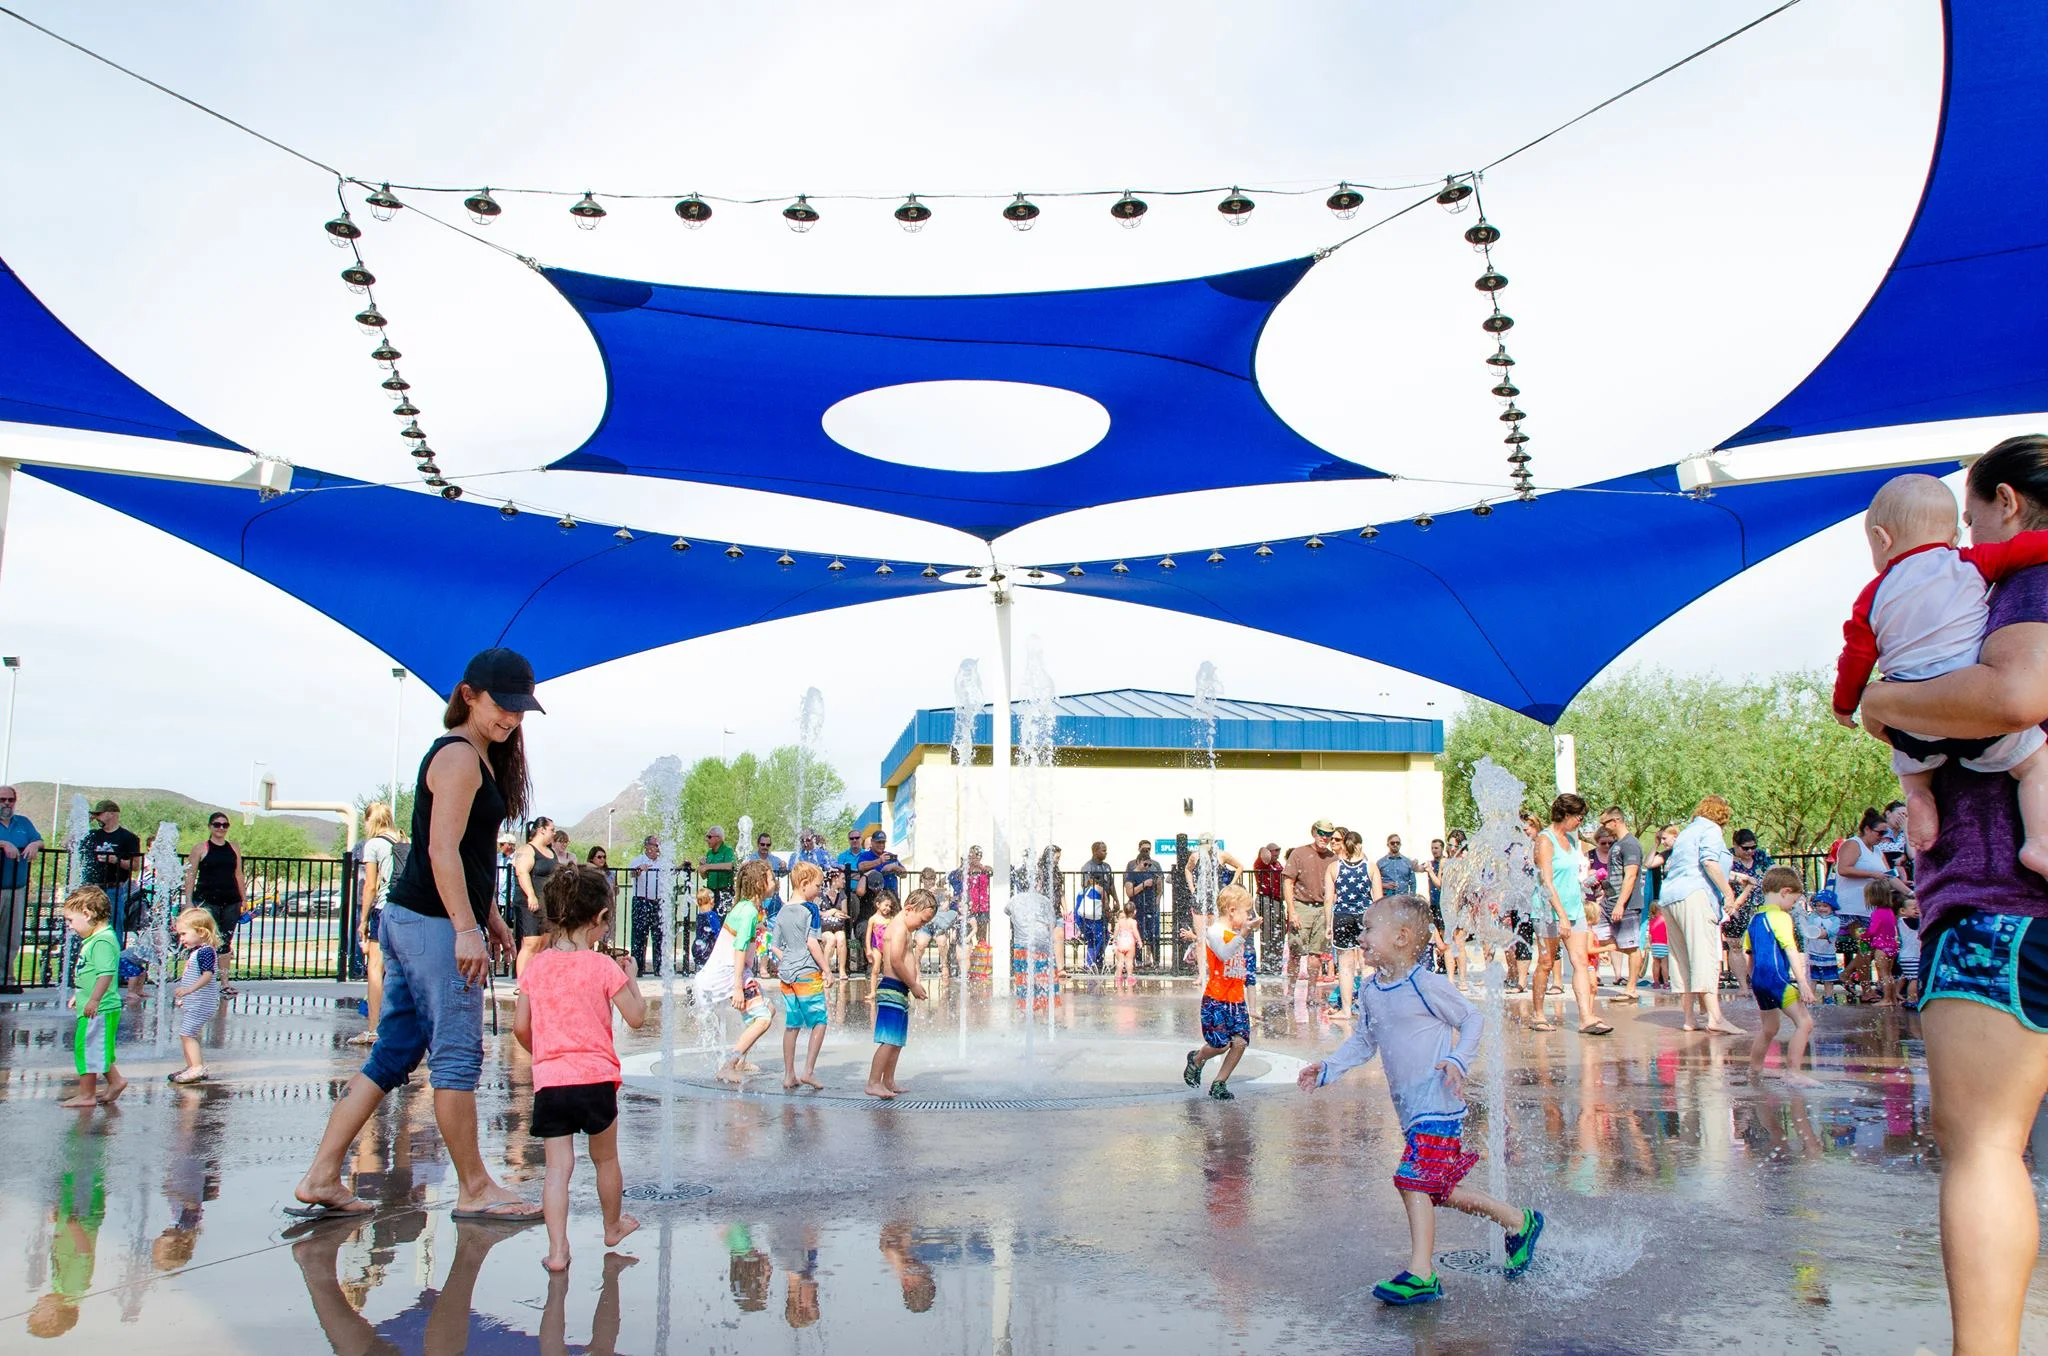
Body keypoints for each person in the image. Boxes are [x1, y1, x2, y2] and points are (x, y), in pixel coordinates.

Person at [1850, 436, 2048, 1355]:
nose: (1964, 543)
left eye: (1973, 520)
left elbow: (2014, 694)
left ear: (2007, 502)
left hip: (2003, 901)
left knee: (1982, 1149)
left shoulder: (2024, 586)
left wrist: (1884, 701)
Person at [291, 645, 543, 1223]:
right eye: (502, 705)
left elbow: (471, 856)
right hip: (432, 923)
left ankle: (323, 1174)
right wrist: (464, 929)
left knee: (394, 1052)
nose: (511, 717)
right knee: (457, 1055)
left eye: (520, 709)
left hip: (412, 918)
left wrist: (492, 918)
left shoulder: (473, 755)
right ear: (468, 695)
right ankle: (476, 1187)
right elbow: (440, 850)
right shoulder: (458, 757)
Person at [1297, 894, 1544, 1305]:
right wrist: (1328, 1069)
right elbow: (1364, 1041)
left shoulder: (1426, 984)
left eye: (1368, 929)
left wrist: (1457, 1059)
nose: (1360, 937)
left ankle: (1421, 1273)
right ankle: (1519, 1221)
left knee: (1412, 1179)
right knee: (1438, 1189)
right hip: (1410, 1111)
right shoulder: (1372, 990)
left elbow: (1472, 1019)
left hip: (1438, 1105)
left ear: (1401, 937)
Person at [1833, 472, 2048, 868]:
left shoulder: (1872, 594)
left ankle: (1918, 796)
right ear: (1951, 535)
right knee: (2035, 763)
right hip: (1976, 720)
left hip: (1912, 725)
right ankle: (2040, 841)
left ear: (1882, 539)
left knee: (1911, 767)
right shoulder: (1968, 563)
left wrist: (1846, 705)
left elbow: (1855, 657)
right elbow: (2030, 548)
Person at [513, 862, 646, 1272]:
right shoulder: (604, 966)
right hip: (596, 1079)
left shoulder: (536, 967)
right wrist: (633, 977)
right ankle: (611, 1225)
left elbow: (521, 1026)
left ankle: (557, 1251)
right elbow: (637, 1017)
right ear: (600, 919)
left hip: (552, 1081)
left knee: (558, 1168)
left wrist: (546, 1056)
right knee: (604, 1159)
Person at [1659, 795, 1744, 1035]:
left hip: (1670, 897)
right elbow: (1708, 862)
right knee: (1704, 957)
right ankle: (1715, 1018)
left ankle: (1689, 1018)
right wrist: (1728, 894)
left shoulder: (1687, 831)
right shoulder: (1712, 829)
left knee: (1682, 959)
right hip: (1695, 895)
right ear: (1722, 814)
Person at [1530, 794, 1609, 1036]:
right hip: (1548, 911)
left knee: (1581, 961)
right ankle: (1538, 1014)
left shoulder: (1572, 842)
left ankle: (1586, 1017)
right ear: (1565, 815)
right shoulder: (1545, 840)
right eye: (1578, 817)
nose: (1580, 822)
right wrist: (1561, 916)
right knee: (1546, 962)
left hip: (1574, 908)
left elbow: (1571, 877)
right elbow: (1546, 881)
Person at [1745, 866, 1820, 1087]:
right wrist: (1804, 984)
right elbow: (1790, 950)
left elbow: (1748, 955)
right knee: (1805, 1023)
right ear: (1785, 892)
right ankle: (1794, 1072)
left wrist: (1754, 981)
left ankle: (1754, 1070)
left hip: (1760, 982)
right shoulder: (1781, 917)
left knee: (1769, 1029)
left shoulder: (1754, 919)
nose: (1793, 906)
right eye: (1794, 901)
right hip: (1777, 980)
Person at [706, 859, 777, 1084]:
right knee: (763, 1019)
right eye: (772, 878)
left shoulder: (747, 908)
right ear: (759, 883)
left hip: (735, 970)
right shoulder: (747, 912)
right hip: (730, 973)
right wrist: (737, 985)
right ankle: (729, 1065)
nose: (775, 882)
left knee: (769, 1009)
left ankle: (740, 1058)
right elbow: (739, 949)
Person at [1181, 885, 1254, 1100]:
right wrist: (1243, 934)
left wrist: (1252, 1003)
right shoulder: (1214, 932)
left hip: (1236, 1000)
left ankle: (1219, 1082)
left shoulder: (1236, 934)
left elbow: (1244, 971)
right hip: (1216, 999)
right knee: (1220, 1045)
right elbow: (1223, 954)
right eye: (1246, 912)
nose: (1248, 916)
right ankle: (1196, 1058)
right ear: (1232, 910)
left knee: (1240, 1042)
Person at [60, 885, 126, 1108]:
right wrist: (80, 995)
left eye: (71, 920)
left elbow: (106, 974)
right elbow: (91, 974)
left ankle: (87, 1095)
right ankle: (116, 1081)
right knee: (97, 1047)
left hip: (100, 1008)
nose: (69, 926)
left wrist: (94, 999)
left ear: (87, 914)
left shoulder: (102, 941)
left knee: (86, 1049)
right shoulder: (98, 938)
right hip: (96, 1006)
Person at [867, 888, 935, 1099]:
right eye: (922, 921)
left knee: (896, 1040)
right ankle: (873, 1082)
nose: (921, 926)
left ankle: (888, 1080)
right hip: (892, 987)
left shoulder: (904, 927)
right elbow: (896, 960)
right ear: (909, 909)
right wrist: (913, 984)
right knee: (888, 1040)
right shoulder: (897, 928)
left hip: (899, 989)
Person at [348, 802, 401, 1046]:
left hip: (384, 908)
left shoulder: (374, 845)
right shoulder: (404, 839)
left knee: (375, 969)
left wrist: (363, 919)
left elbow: (370, 885)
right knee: (402, 969)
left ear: (370, 821)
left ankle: (373, 1029)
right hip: (406, 909)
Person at [183, 809, 247, 999]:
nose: (221, 828)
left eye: (225, 825)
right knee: (206, 940)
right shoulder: (200, 848)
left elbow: (238, 874)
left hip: (230, 899)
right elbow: (191, 874)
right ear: (210, 827)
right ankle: (201, 981)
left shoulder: (233, 847)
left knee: (225, 942)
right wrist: (188, 901)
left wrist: (244, 898)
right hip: (207, 900)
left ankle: (225, 982)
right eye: (217, 825)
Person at [777, 862, 830, 1091]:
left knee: (792, 1025)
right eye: (818, 886)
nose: (819, 890)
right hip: (808, 973)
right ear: (805, 884)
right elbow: (811, 943)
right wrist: (827, 969)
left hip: (787, 975)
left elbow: (776, 946)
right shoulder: (811, 909)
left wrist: (788, 960)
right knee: (819, 1022)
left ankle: (789, 1075)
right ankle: (807, 1071)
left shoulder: (782, 910)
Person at [165, 906, 222, 1083]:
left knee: (187, 1034)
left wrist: (189, 991)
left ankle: (196, 1068)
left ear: (201, 932)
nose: (181, 939)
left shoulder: (205, 952)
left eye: (183, 934)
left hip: (202, 1003)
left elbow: (207, 975)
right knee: (191, 1034)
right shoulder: (200, 951)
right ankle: (193, 1066)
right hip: (197, 1002)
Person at [1325, 829, 1379, 1017]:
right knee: (1367, 965)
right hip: (1365, 916)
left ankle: (1346, 1010)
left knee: (1345, 966)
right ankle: (1366, 1008)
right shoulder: (1370, 867)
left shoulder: (1334, 868)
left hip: (1342, 916)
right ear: (1360, 845)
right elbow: (1378, 900)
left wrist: (1327, 925)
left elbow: (1328, 900)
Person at [1597, 808, 1648, 997]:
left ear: (1616, 821)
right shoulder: (1617, 845)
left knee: (1631, 946)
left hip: (1627, 904)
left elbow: (1631, 875)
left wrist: (1620, 903)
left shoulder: (1630, 844)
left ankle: (1631, 988)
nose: (1603, 828)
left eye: (1605, 823)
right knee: (1600, 937)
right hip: (1609, 902)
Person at [1284, 820, 1338, 1000]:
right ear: (1314, 832)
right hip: (1302, 905)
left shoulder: (1333, 858)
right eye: (1322, 833)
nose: (1325, 837)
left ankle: (1312, 993)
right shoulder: (1299, 853)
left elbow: (1337, 886)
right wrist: (1292, 910)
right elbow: (1288, 882)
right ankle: (1290, 992)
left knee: (1316, 953)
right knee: (1295, 951)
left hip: (1323, 908)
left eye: (1329, 834)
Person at [80, 800, 142, 946]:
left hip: (113, 888)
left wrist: (116, 860)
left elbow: (135, 865)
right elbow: (66, 843)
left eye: (99, 814)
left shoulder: (128, 838)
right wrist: (82, 823)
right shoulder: (92, 835)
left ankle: (114, 960)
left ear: (112, 814)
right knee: (87, 927)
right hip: (91, 889)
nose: (97, 818)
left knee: (113, 927)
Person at [0, 785, 42, 993]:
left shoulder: (23, 822)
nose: (6, 803)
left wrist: (35, 844)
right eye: (2, 799)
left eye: (10, 799)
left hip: (16, 886)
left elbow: (38, 839)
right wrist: (3, 843)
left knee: (11, 936)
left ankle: (5, 979)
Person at [512, 817, 562, 979]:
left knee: (544, 943)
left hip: (548, 903)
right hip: (530, 903)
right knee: (531, 943)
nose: (554, 833)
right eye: (552, 830)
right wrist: (531, 895)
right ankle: (522, 983)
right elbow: (522, 872)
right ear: (541, 830)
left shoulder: (551, 852)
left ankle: (537, 980)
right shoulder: (527, 849)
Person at [1831, 808, 1891, 922]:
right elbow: (1843, 869)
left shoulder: (1877, 850)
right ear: (1867, 829)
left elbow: (1888, 876)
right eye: (1880, 833)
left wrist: (1909, 892)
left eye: (1885, 833)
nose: (1883, 837)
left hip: (1871, 908)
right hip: (1852, 909)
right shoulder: (1853, 844)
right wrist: (1872, 874)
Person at [627, 835, 674, 978]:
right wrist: (639, 870)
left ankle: (659, 968)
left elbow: (673, 872)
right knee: (639, 936)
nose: (658, 848)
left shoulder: (663, 862)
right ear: (648, 846)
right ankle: (638, 968)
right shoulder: (638, 861)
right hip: (642, 901)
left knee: (659, 935)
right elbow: (632, 874)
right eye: (656, 845)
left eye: (659, 845)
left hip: (658, 902)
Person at [1865, 876, 1906, 1006]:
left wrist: (1864, 936)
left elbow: (1872, 930)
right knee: (1889, 974)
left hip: (1881, 948)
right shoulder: (1890, 912)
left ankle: (1887, 999)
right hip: (1892, 946)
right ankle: (1892, 998)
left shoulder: (1877, 913)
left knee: (1883, 975)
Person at [1124, 841, 1164, 965]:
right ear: (1139, 862)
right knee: (1138, 934)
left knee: (1154, 935)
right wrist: (1143, 885)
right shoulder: (1132, 874)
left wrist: (1157, 899)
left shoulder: (1152, 871)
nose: (1147, 867)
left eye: (1149, 865)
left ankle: (1156, 961)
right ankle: (1139, 961)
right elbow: (1129, 892)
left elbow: (1159, 885)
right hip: (1138, 908)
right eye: (1145, 864)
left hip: (1151, 908)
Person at [1801, 896, 1841, 1004]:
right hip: (1813, 951)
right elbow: (1808, 929)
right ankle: (1811, 996)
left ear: (1832, 907)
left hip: (1827, 953)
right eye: (1818, 905)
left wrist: (1824, 933)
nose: (1821, 908)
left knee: (1829, 978)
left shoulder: (1835, 920)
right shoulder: (1813, 917)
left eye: (1825, 906)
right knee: (1813, 977)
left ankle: (1829, 997)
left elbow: (1833, 931)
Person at [702, 826, 738, 913]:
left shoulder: (727, 850)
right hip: (710, 892)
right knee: (708, 921)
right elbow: (704, 876)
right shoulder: (709, 853)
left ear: (718, 838)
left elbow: (729, 866)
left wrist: (708, 867)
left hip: (724, 892)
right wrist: (702, 867)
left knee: (723, 920)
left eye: (709, 837)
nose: (707, 839)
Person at [1112, 904, 1139, 988]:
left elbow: (1116, 932)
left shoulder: (1120, 922)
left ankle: (1118, 976)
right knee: (1129, 961)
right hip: (1130, 944)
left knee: (1120, 961)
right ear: (1134, 912)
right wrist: (1139, 940)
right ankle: (1130, 976)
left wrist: (1114, 940)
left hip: (1121, 943)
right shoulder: (1133, 922)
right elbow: (1135, 932)